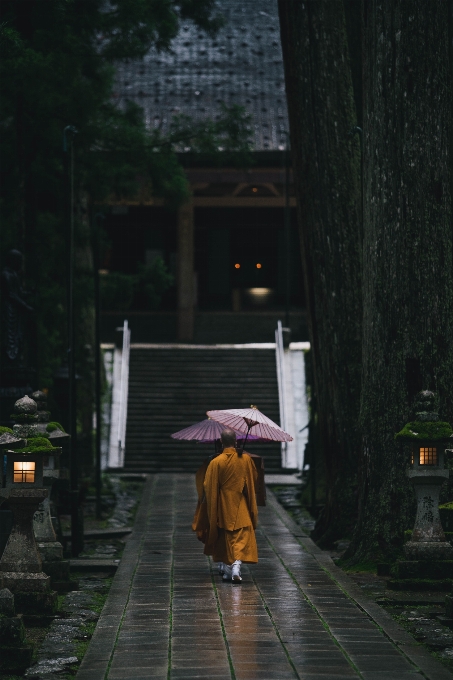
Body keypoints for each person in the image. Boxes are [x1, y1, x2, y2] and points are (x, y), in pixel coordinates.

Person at [201, 428, 258, 582]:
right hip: (240, 502)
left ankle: (229, 567)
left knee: (225, 536)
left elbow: (207, 485)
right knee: (241, 535)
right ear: (236, 441)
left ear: (221, 442)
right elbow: (253, 479)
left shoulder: (215, 462)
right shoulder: (245, 459)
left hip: (222, 505)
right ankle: (236, 566)